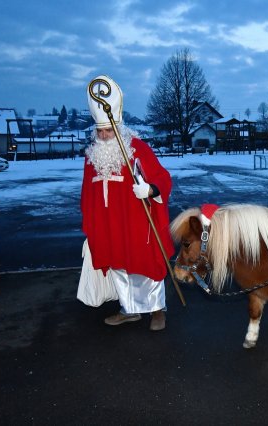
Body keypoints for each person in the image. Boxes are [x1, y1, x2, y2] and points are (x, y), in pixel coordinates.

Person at [78, 74, 175, 332]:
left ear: (118, 127)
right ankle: (129, 309)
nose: (104, 136)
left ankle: (157, 311)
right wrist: (90, 224)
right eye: (100, 131)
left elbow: (163, 178)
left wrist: (150, 189)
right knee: (118, 266)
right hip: (108, 225)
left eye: (108, 130)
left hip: (136, 222)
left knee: (146, 266)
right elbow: (87, 193)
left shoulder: (137, 149)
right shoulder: (92, 157)